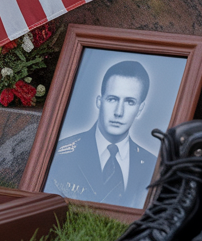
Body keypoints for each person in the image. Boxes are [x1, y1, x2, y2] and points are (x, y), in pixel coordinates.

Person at [44, 60, 159, 207]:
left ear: (140, 109)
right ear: (100, 101)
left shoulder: (153, 165)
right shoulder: (60, 154)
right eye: (112, 99)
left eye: (130, 102)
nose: (119, 112)